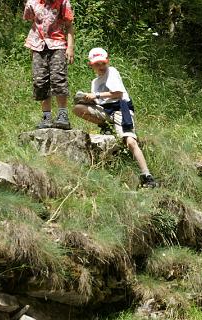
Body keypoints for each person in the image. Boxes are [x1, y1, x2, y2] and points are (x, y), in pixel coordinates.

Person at [72, 48, 158, 188]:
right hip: (106, 110)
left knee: (130, 142)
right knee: (78, 108)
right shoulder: (95, 82)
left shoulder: (112, 71)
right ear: (91, 65)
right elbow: (100, 101)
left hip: (120, 109)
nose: (100, 67)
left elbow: (118, 93)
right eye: (97, 64)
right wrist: (88, 99)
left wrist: (97, 96)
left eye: (102, 63)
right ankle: (105, 126)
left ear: (107, 62)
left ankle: (147, 175)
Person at [23, 0, 75, 130]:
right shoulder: (32, 3)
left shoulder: (62, 2)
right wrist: (32, 48)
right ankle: (46, 117)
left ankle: (63, 115)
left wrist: (70, 47)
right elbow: (31, 21)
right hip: (37, 45)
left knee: (58, 78)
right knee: (40, 81)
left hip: (57, 44)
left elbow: (69, 25)